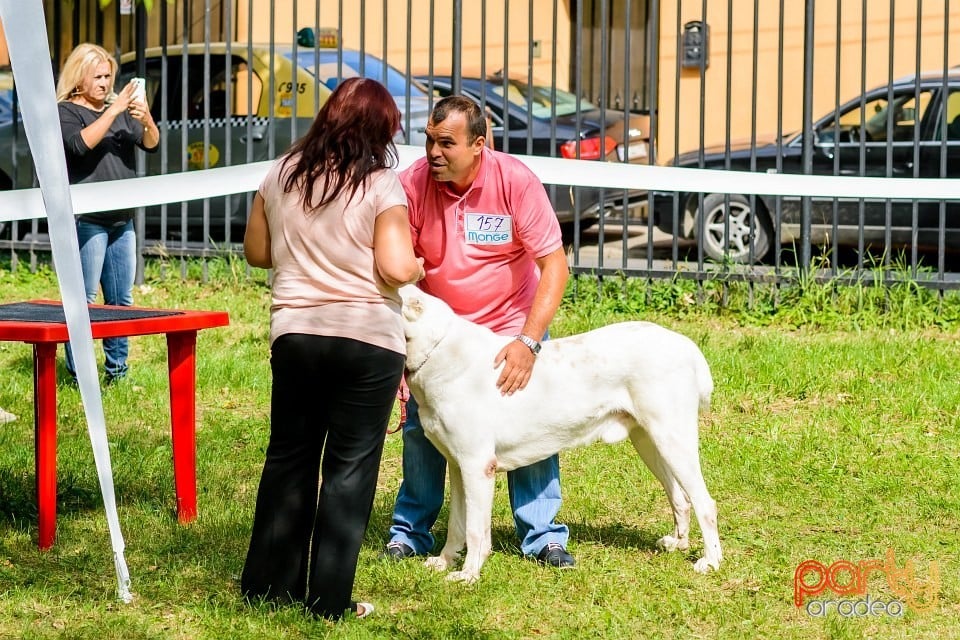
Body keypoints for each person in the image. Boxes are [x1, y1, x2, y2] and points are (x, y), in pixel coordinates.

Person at [240, 77, 424, 621]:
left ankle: (268, 588)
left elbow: (257, 252)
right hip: (366, 340)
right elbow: (393, 268)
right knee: (349, 470)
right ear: (380, 129)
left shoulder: (280, 172)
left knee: (289, 459)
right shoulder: (382, 185)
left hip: (295, 333)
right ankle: (328, 603)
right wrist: (417, 266)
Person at [384, 95, 575, 568]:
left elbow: (554, 266)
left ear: (479, 145)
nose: (433, 153)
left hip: (509, 324)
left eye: (447, 143)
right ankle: (410, 532)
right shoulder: (411, 185)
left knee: (530, 423)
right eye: (429, 141)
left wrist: (528, 342)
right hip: (440, 335)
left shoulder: (514, 180)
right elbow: (398, 272)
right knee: (421, 428)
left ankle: (543, 534)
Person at [56, 43, 159, 383]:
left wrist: (146, 120)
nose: (104, 82)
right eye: (97, 76)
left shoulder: (117, 107)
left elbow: (151, 143)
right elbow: (78, 145)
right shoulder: (67, 111)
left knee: (120, 300)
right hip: (88, 221)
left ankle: (118, 371)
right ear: (78, 77)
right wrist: (112, 111)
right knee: (83, 301)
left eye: (108, 76)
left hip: (122, 220)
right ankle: (80, 374)